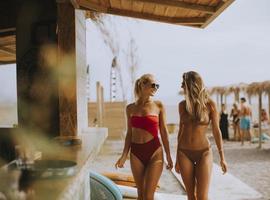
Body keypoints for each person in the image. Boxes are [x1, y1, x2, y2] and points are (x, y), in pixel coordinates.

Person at [115, 74, 173, 200]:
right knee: (140, 195)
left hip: (155, 152)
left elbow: (163, 131)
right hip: (136, 153)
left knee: (148, 195)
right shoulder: (130, 108)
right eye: (153, 85)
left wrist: (168, 155)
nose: (156, 88)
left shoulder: (159, 105)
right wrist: (124, 155)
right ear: (142, 85)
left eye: (157, 85)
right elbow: (129, 133)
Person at [175, 71, 227, 200]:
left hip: (204, 152)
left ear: (191, 85)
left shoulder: (210, 105)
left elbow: (216, 131)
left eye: (183, 84)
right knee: (191, 196)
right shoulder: (182, 106)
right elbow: (180, 132)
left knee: (203, 196)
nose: (181, 86)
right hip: (184, 153)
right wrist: (177, 158)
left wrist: (222, 157)